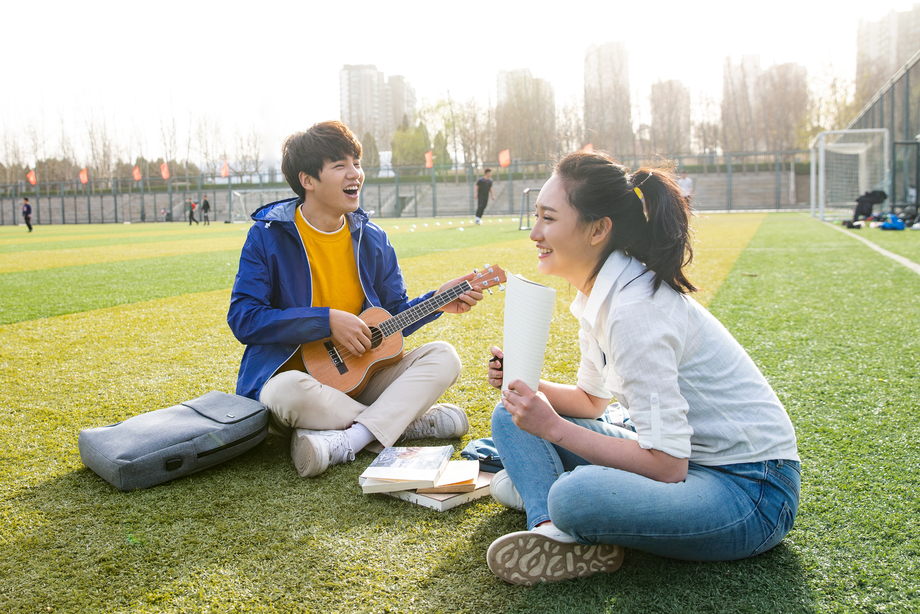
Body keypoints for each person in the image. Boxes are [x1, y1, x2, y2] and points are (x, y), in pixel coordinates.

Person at [484, 150, 800, 586]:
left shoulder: (634, 310)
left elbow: (668, 466)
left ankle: (560, 509)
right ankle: (548, 531)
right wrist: (528, 386)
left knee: (576, 495)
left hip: (751, 490)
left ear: (598, 229)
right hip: (692, 464)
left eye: (549, 219)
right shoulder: (600, 293)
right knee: (511, 414)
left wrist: (553, 429)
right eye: (536, 217)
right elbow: (592, 403)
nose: (535, 233)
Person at [227, 121, 483, 478]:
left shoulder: (373, 239)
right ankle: (404, 423)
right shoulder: (267, 237)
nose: (356, 174)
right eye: (340, 166)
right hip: (295, 381)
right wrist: (326, 320)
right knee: (285, 393)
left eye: (357, 163)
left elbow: (391, 319)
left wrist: (437, 301)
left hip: (361, 381)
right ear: (308, 180)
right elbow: (244, 318)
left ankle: (348, 437)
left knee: (444, 357)